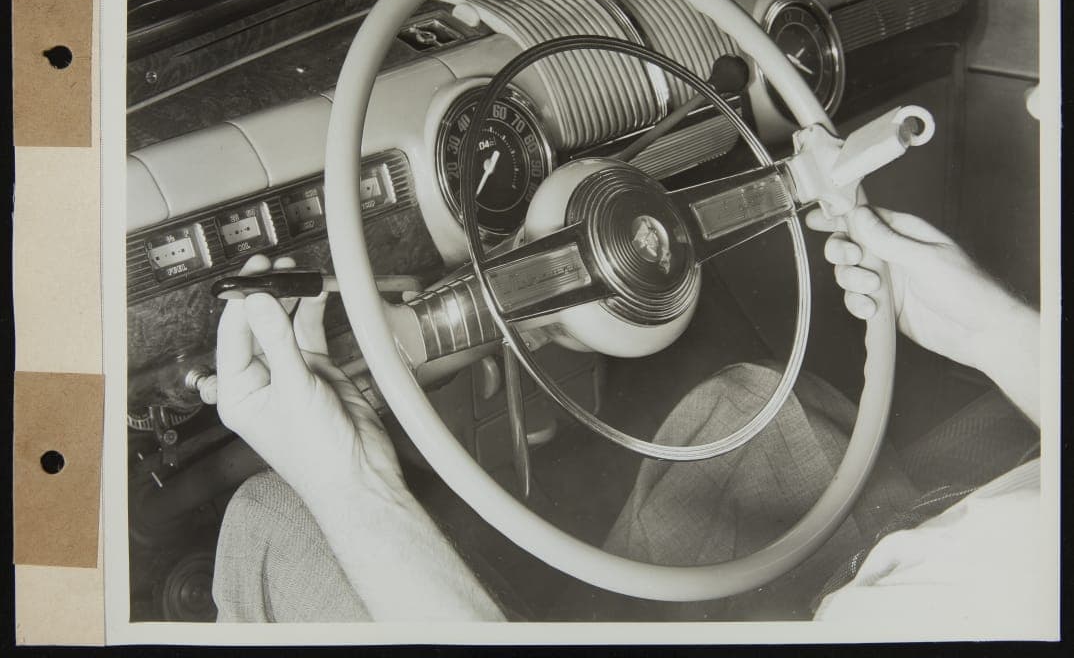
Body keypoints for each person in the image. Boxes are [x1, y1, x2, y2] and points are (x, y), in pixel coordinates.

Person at [202, 205, 1042, 623]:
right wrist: (1005, 335)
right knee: (756, 402)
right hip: (898, 560)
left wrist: (349, 474)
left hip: (889, 603)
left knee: (275, 513)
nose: (1043, 101)